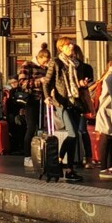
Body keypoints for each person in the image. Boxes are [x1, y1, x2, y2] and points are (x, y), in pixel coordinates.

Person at [43, 36, 84, 181]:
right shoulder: (56, 62)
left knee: (74, 136)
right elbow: (46, 82)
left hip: (75, 102)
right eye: (68, 45)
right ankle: (59, 160)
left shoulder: (77, 63)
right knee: (72, 134)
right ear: (61, 47)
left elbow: (77, 82)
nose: (71, 46)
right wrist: (47, 97)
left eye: (72, 44)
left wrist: (82, 83)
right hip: (62, 103)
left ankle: (69, 169)